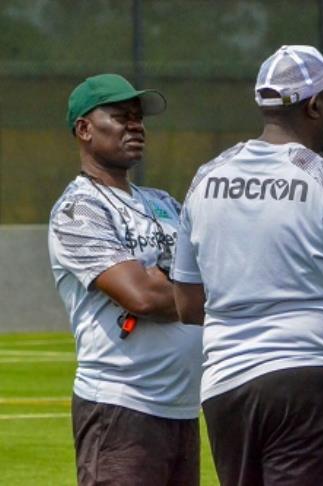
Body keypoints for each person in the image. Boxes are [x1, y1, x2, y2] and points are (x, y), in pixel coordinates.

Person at [171, 45, 323, 486]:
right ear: (314, 105)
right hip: (315, 382)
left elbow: (187, 304)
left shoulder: (205, 178)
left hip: (227, 389)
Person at [48, 73, 203, 486]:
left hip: (183, 409)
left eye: (138, 118)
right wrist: (186, 288)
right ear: (84, 129)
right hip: (120, 408)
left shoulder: (164, 202)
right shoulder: (79, 209)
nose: (136, 126)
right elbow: (143, 297)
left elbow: (215, 273)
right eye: (120, 117)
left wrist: (169, 281)